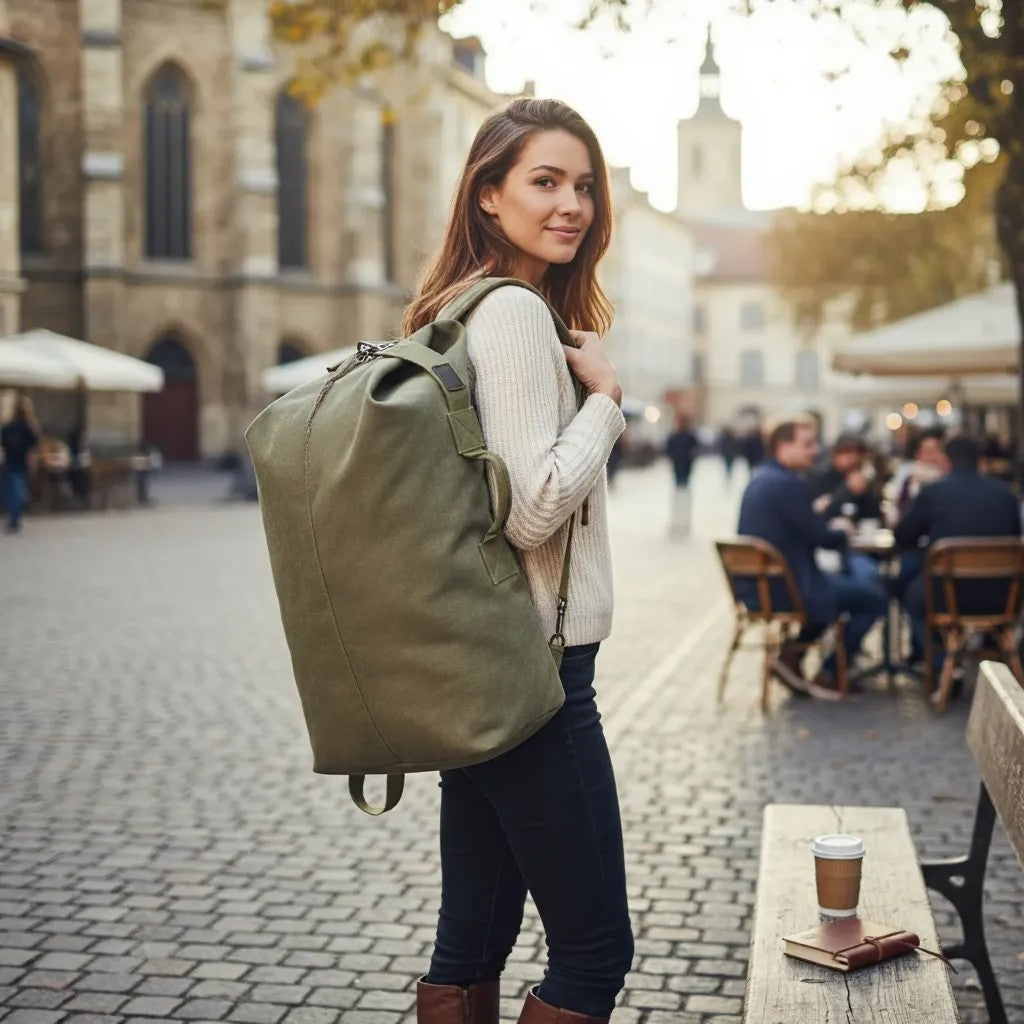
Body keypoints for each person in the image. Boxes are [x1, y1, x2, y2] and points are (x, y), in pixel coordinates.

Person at [401, 98, 633, 1024]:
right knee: (593, 952)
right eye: (545, 181)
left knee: (471, 941)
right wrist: (607, 404)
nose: (571, 203)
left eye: (583, 185)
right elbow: (534, 506)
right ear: (489, 196)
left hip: (478, 663)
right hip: (536, 677)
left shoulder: (453, 311)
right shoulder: (512, 318)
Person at [737, 414, 887, 694]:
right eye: (807, 444)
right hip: (789, 589)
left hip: (762, 586)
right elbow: (823, 538)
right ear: (783, 446)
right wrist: (843, 531)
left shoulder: (762, 478)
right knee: (875, 597)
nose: (815, 450)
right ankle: (830, 672)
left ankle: (792, 657)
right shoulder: (788, 484)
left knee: (845, 584)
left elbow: (801, 527)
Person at [895, 435, 1022, 672]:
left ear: (945, 461)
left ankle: (942, 665)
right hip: (1004, 598)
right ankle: (990, 657)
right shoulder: (1006, 495)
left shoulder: (933, 492)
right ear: (981, 462)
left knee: (911, 596)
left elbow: (903, 537)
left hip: (947, 596)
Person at [1, 396, 40, 533]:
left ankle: (14, 518)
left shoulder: (8, 426)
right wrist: (32, 463)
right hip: (21, 463)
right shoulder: (29, 427)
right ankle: (15, 518)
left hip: (9, 462)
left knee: (10, 491)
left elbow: (4, 444)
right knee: (17, 491)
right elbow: (33, 447)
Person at [666, 413, 699, 537]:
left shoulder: (689, 436)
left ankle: (684, 522)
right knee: (677, 498)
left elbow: (696, 450)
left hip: (685, 471)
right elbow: (668, 450)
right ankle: (676, 522)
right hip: (678, 470)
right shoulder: (674, 436)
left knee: (684, 498)